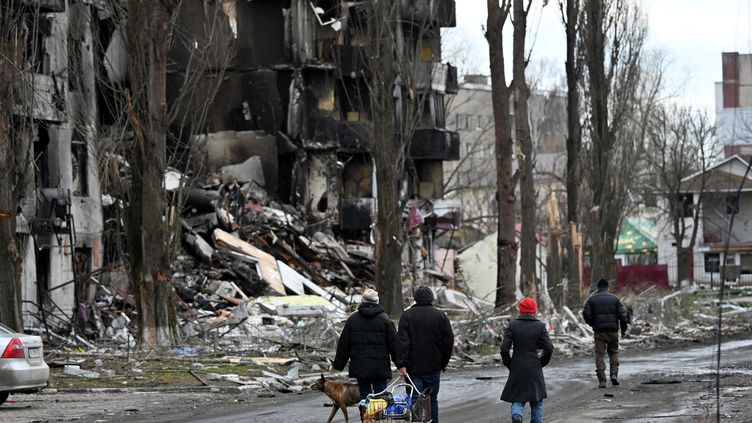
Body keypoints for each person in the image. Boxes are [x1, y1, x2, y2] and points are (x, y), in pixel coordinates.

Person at [333, 288, 401, 405]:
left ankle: (366, 418)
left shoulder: (353, 320)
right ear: (377, 302)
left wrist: (339, 364)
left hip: (360, 366)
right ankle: (379, 419)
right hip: (380, 366)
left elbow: (344, 344)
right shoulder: (385, 320)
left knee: (364, 396)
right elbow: (394, 345)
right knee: (381, 396)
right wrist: (401, 364)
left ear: (362, 301)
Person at [397, 286, 454, 423]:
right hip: (434, 366)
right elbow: (448, 341)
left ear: (415, 299)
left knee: (415, 399)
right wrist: (443, 362)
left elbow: (402, 342)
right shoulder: (440, 316)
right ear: (431, 298)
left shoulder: (407, 316)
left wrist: (402, 364)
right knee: (431, 399)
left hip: (413, 367)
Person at [500, 297, 553, 423]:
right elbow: (549, 348)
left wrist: (509, 363)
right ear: (534, 310)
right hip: (534, 366)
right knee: (536, 400)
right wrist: (542, 362)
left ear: (521, 310)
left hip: (517, 366)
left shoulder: (513, 325)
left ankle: (517, 415)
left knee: (518, 398)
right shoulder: (540, 326)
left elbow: (504, 349)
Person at [582, 278, 629, 388]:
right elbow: (623, 316)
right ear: (608, 288)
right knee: (613, 352)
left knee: (599, 355)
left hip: (599, 332)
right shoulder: (615, 299)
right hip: (613, 331)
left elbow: (586, 315)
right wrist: (623, 330)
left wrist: (593, 324)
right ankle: (613, 374)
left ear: (598, 288)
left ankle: (602, 380)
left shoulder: (592, 300)